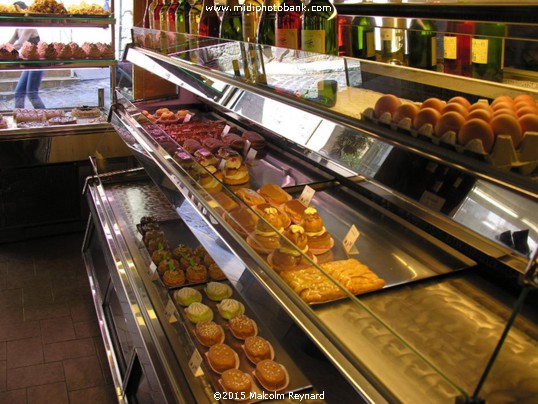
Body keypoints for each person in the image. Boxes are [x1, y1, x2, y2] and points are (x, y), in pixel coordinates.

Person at [8, 3, 46, 109]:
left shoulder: (30, 26)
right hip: (29, 63)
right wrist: (2, 49)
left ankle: (46, 118)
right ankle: (19, 118)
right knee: (19, 93)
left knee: (32, 94)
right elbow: (11, 42)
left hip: (38, 63)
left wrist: (6, 54)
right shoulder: (18, 27)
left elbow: (19, 43)